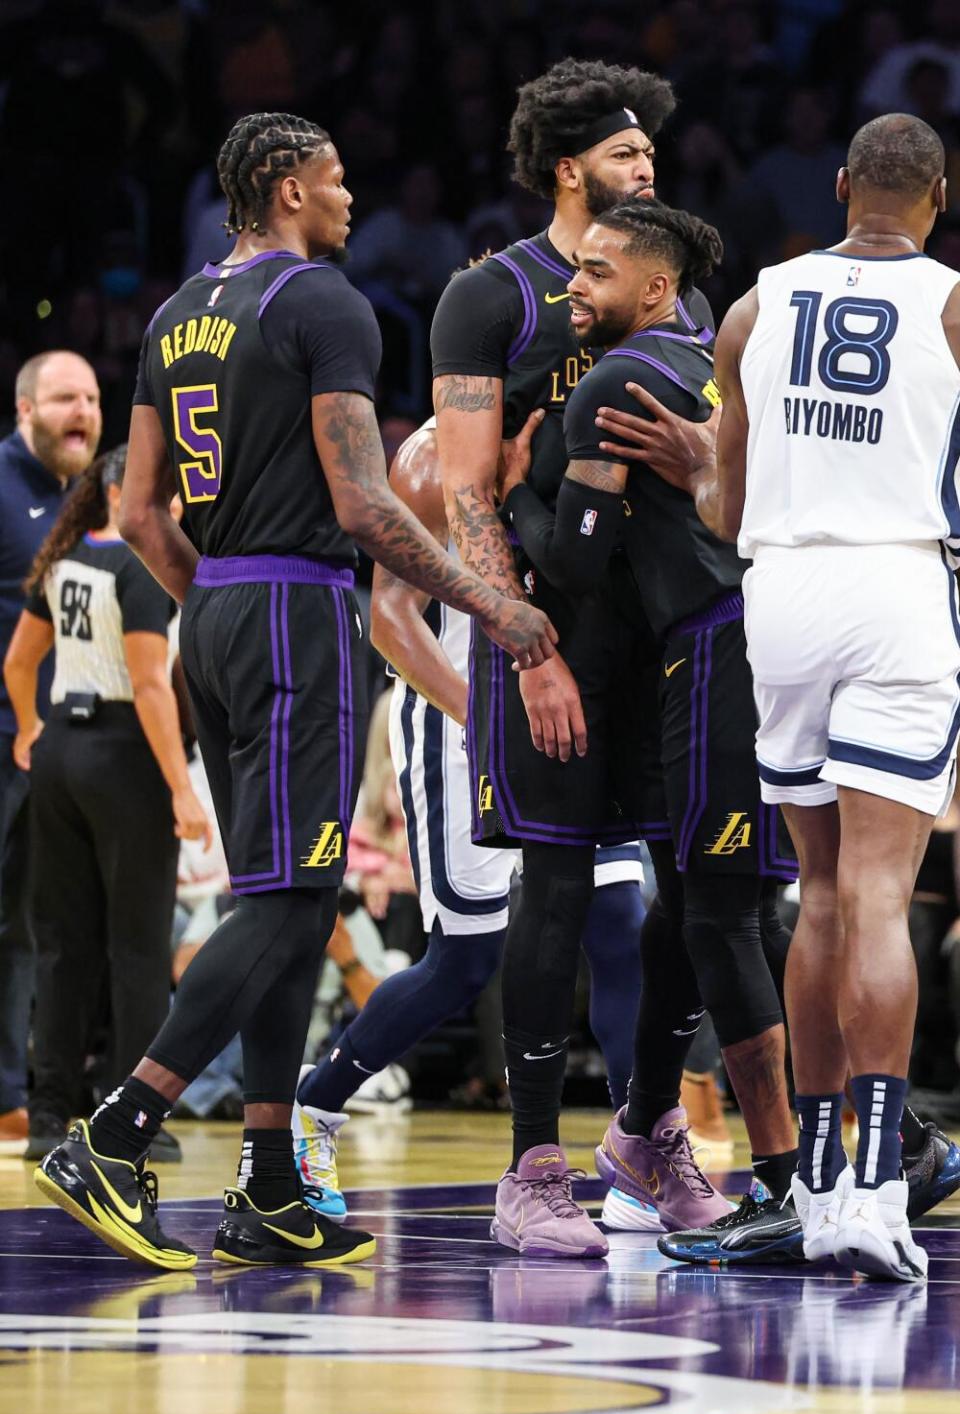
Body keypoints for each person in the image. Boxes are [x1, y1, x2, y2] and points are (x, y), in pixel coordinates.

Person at [35, 110, 556, 1274]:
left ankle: (269, 1183)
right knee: (286, 901)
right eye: (331, 181)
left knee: (293, 896)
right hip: (288, 612)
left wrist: (213, 593)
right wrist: (497, 608)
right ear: (282, 190)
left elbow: (137, 514)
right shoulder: (324, 304)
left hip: (216, 605)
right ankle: (117, 1132)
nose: (349, 199)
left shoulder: (174, 314)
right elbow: (369, 508)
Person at [431, 58, 729, 1258]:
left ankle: (649, 1134)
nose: (646, 164)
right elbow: (462, 491)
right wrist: (524, 638)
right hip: (547, 630)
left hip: (660, 635)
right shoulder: (488, 298)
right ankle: (531, 1171)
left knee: (689, 888)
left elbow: (713, 452)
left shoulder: (671, 297)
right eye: (624, 152)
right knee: (552, 892)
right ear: (569, 167)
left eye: (652, 151)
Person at [657, 113, 960, 1281]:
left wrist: (699, 469)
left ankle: (822, 1185)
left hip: (779, 598)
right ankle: (881, 1187)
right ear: (936, 196)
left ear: (841, 190)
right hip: (894, 583)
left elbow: (724, 515)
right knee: (883, 891)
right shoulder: (951, 302)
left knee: (820, 890)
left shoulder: (752, 308)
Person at [498, 196, 801, 1247]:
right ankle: (646, 1132)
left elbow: (573, 561)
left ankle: (786, 1174)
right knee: (725, 903)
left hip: (712, 647)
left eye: (596, 271)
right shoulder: (715, 362)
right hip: (763, 634)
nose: (573, 286)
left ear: (657, 286)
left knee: (723, 914)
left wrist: (509, 501)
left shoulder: (622, 379)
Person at [293, 418, 648, 1221]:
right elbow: (388, 618)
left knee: (621, 921)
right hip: (457, 717)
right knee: (464, 961)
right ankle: (312, 1109)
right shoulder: (428, 456)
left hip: (575, 710)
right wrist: (481, 720)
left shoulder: (588, 418)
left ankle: (640, 1154)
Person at [3, 445, 212, 1162]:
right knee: (138, 948)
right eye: (171, 497)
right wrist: (183, 791)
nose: (177, 511)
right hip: (125, 756)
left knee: (63, 945)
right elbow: (153, 686)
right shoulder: (140, 562)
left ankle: (50, 1116)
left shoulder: (66, 557)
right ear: (135, 495)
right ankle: (132, 1119)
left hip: (60, 753)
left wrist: (33, 730)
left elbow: (18, 663)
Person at [0, 351, 101, 1152]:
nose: (83, 411)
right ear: (24, 406)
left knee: (37, 927)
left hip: (60, 746)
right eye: (65, 398)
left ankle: (18, 1090)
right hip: (6, 733)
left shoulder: (91, 499)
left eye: (94, 398)